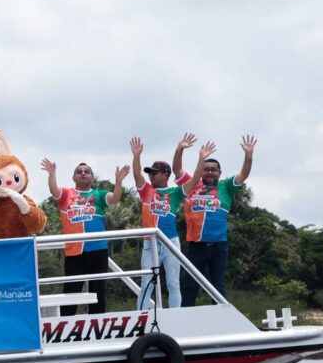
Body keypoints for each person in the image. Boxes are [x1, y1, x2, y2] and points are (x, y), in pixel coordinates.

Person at [130, 135, 214, 309]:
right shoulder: (146, 191)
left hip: (170, 242)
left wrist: (201, 159)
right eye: (150, 173)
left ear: (165, 174)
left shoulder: (175, 193)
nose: (151, 176)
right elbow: (137, 174)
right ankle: (142, 319)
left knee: (173, 283)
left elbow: (195, 179)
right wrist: (136, 156)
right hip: (149, 243)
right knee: (147, 283)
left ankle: (175, 317)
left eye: (154, 172)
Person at [173, 134, 257, 305]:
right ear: (201, 171)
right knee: (190, 286)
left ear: (219, 173)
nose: (210, 172)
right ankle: (185, 321)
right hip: (196, 244)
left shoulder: (225, 186)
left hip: (219, 244)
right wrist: (180, 149)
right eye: (206, 168)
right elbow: (176, 169)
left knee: (218, 286)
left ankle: (220, 321)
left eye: (214, 169)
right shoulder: (192, 184)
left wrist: (248, 156)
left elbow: (243, 174)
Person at [40, 158, 131, 315]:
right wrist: (52, 174)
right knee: (71, 292)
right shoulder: (67, 194)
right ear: (73, 178)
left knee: (98, 291)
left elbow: (115, 198)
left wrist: (118, 181)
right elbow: (54, 190)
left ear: (92, 177)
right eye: (79, 172)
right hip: (75, 251)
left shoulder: (99, 195)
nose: (83, 174)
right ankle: (65, 326)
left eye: (87, 172)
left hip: (98, 249)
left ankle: (98, 325)